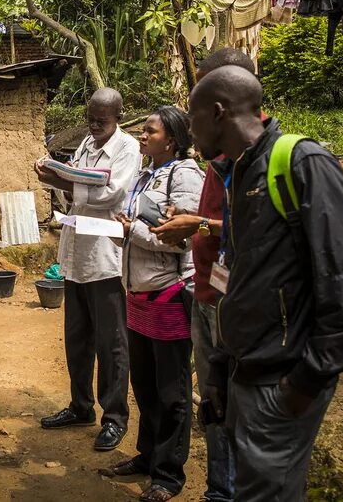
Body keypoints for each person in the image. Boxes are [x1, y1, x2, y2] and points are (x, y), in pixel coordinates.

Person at [187, 66, 343, 501]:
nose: (189, 129)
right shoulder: (242, 174)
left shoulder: (301, 163)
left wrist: (307, 381)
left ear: (218, 113)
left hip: (282, 383)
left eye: (194, 116)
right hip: (247, 374)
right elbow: (239, 282)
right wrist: (219, 369)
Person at [149, 47, 257, 502]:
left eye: (195, 107)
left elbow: (260, 232)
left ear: (222, 101)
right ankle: (218, 490)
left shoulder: (275, 162)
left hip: (243, 307)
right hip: (210, 293)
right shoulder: (220, 162)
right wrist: (194, 221)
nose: (188, 123)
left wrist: (199, 224)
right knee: (214, 401)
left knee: (243, 410)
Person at [106, 106, 204, 502]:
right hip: (139, 295)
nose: (142, 136)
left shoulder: (185, 176)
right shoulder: (146, 175)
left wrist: (133, 232)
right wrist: (121, 233)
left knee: (172, 390)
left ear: (174, 139)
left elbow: (180, 237)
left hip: (167, 293)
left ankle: (168, 473)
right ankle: (148, 456)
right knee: (144, 385)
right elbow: (138, 229)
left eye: (150, 131)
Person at [35, 88, 141, 451]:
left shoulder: (128, 149)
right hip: (77, 256)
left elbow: (110, 195)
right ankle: (80, 407)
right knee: (77, 340)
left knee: (111, 343)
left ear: (119, 116)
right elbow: (75, 192)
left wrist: (62, 180)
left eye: (102, 120)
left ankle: (114, 418)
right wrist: (55, 177)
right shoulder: (85, 146)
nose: (95, 126)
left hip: (105, 259)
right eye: (91, 119)